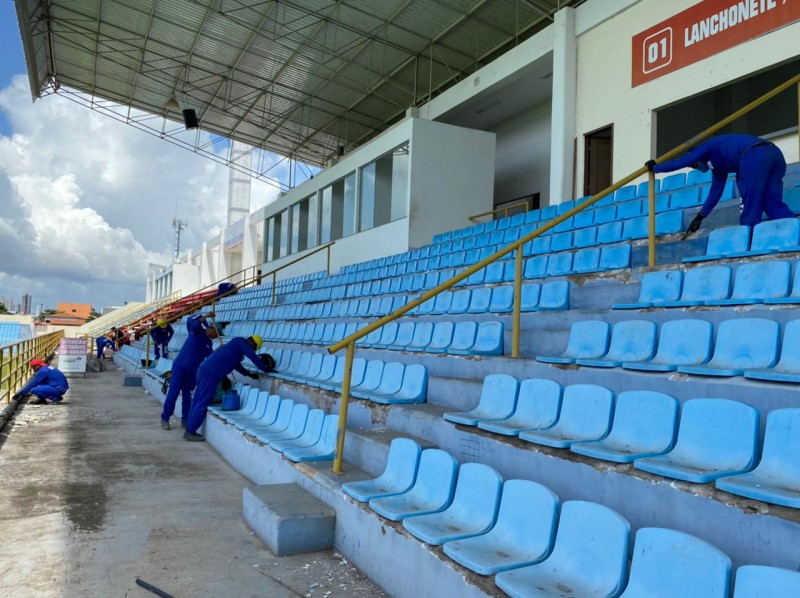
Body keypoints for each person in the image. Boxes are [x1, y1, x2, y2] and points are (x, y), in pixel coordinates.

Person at [646, 133, 795, 234]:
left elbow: (678, 163)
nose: (695, 167)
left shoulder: (705, 148)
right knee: (771, 202)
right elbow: (716, 192)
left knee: (750, 201)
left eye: (694, 164)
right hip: (773, 153)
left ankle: (748, 242)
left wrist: (655, 167)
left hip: (753, 155)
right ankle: (794, 231)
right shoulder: (718, 166)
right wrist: (701, 217)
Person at [183, 335, 270, 441]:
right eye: (254, 348)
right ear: (253, 343)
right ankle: (190, 431)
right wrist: (265, 368)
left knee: (197, 401)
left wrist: (249, 374)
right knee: (202, 402)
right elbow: (252, 356)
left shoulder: (236, 349)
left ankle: (189, 428)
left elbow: (236, 365)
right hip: (210, 374)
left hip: (205, 371)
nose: (253, 350)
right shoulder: (240, 341)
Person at [160, 312, 219, 430]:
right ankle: (165, 418)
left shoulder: (208, 343)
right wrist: (207, 316)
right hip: (180, 368)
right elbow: (195, 324)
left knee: (188, 397)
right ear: (211, 329)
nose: (216, 336)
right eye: (216, 333)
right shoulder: (197, 332)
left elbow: (211, 358)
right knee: (173, 394)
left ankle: (185, 420)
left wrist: (220, 354)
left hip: (192, 372)